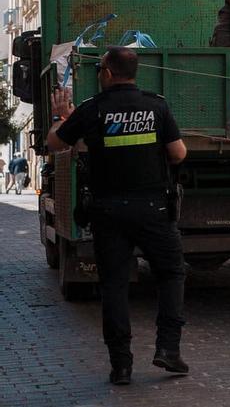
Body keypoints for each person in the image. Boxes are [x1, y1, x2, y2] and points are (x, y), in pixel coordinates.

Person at [46, 46, 189, 385]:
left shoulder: (92, 109)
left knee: (114, 285)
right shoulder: (156, 105)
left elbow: (55, 144)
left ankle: (121, 365)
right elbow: (178, 153)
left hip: (108, 211)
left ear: (108, 73)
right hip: (154, 209)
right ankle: (168, 349)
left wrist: (59, 117)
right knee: (171, 274)